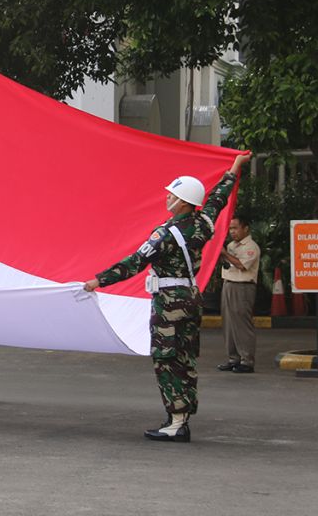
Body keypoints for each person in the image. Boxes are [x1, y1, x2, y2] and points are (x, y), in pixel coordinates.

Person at [84, 152, 250, 442]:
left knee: (166, 359)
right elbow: (217, 200)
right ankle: (181, 416)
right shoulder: (203, 224)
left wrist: (99, 280)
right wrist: (235, 167)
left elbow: (135, 262)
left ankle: (175, 422)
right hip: (191, 296)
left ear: (184, 201)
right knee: (185, 357)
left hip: (169, 301)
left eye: (172, 196)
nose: (167, 199)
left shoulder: (165, 234)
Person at [218, 214, 260, 374]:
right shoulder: (232, 246)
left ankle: (247, 360)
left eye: (235, 228)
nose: (232, 232)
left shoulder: (251, 247)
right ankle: (233, 358)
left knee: (241, 324)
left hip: (242, 287)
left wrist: (224, 253)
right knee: (228, 323)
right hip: (228, 283)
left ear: (245, 228)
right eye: (230, 229)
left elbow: (241, 265)